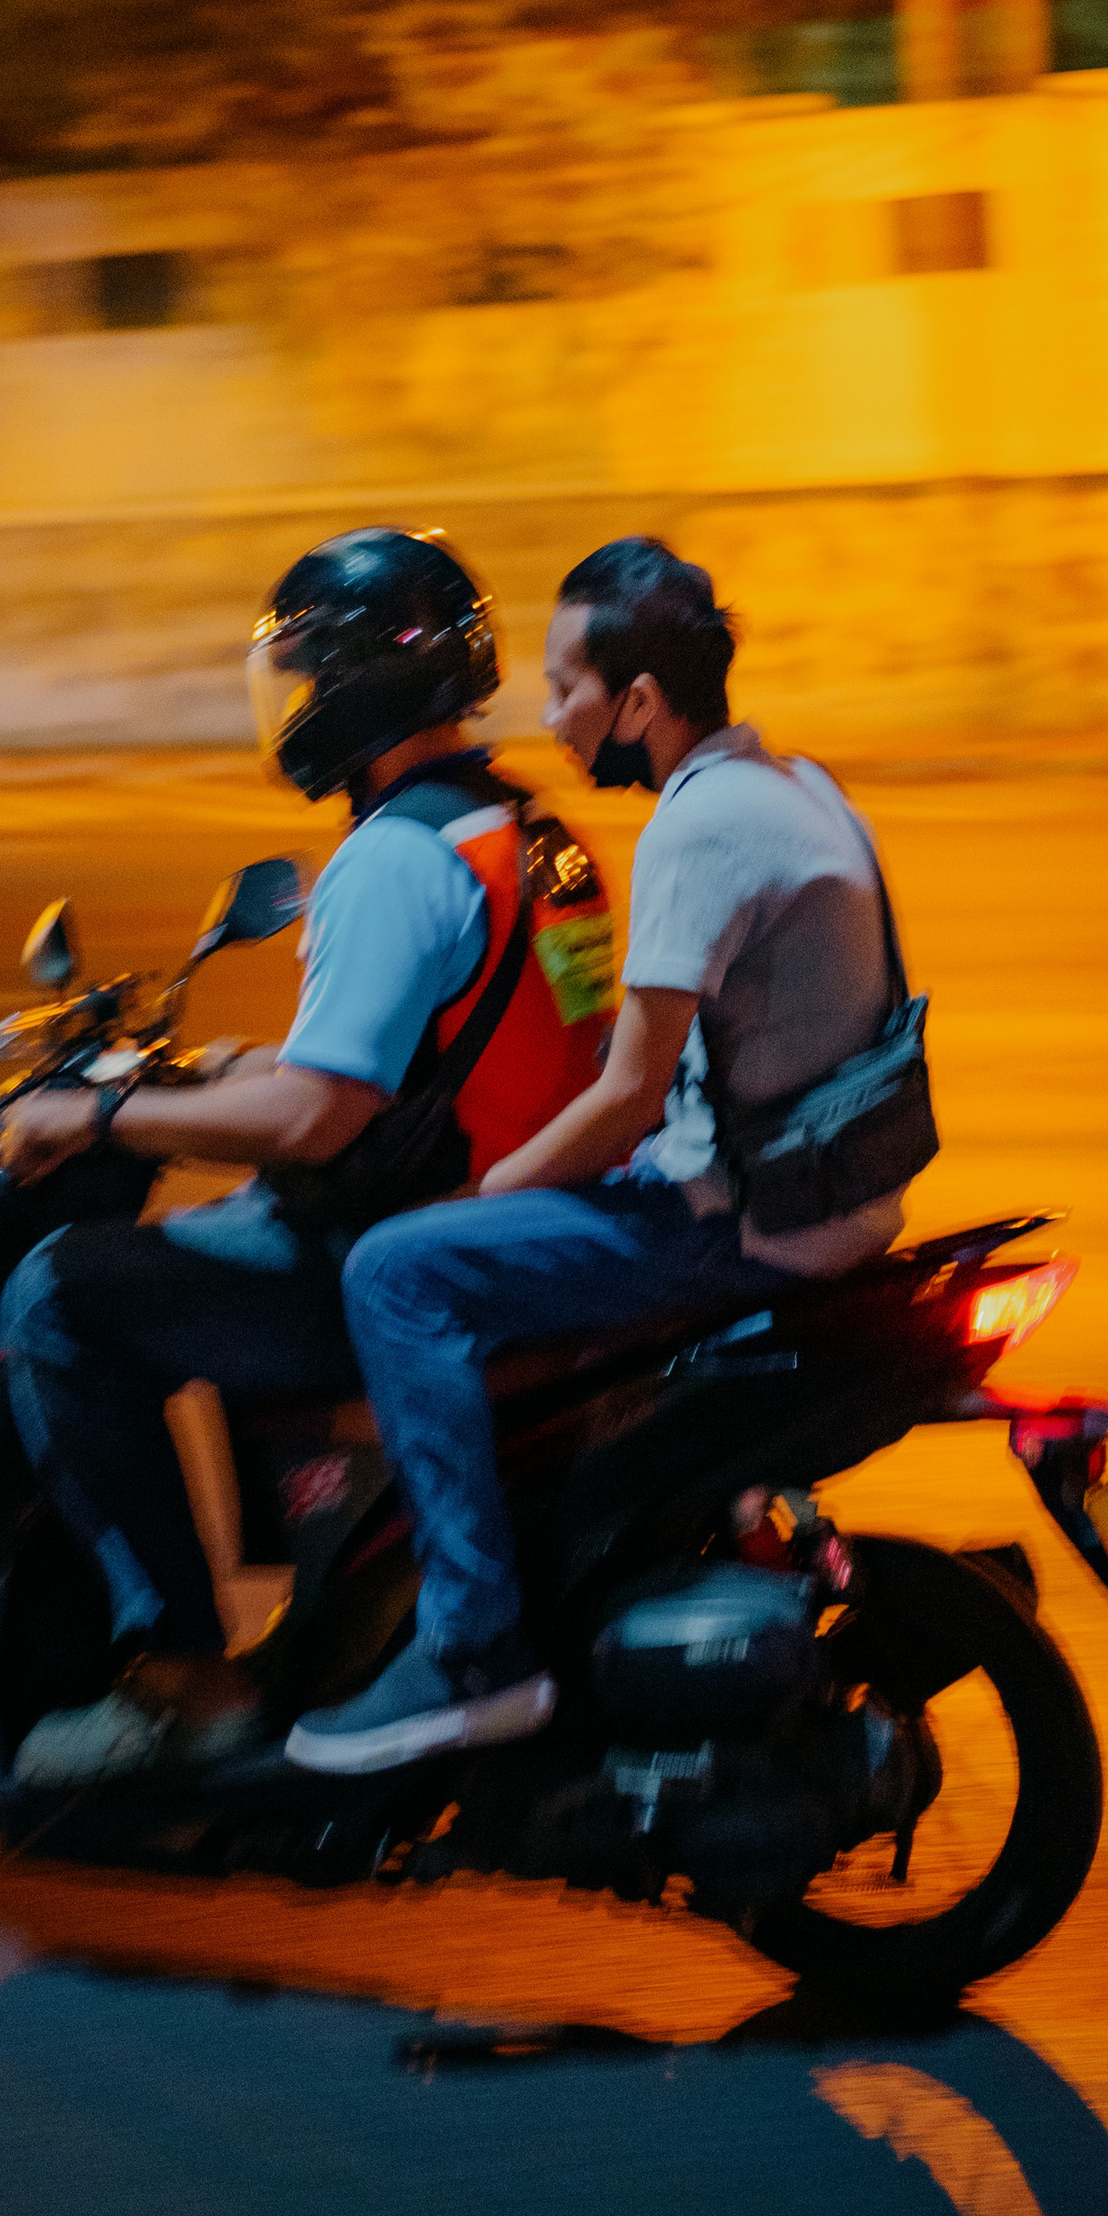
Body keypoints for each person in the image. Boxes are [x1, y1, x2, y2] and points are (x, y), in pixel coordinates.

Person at [285, 534, 932, 1780]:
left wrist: (482, 1198)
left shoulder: (699, 830)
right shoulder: (798, 784)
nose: (547, 716)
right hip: (835, 1194)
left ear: (639, 702)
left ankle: (473, 1651)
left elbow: (630, 1094)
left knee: (398, 1273)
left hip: (740, 1219)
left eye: (567, 688)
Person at [0, 525, 617, 1784]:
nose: (290, 704)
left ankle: (183, 1674)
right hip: (524, 1222)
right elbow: (464, 1051)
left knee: (59, 1294)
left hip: (397, 1253)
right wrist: (221, 1068)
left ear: (354, 684)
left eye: (303, 672)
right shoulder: (534, 839)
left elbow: (317, 1122)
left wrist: (96, 1117)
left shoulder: (389, 858)